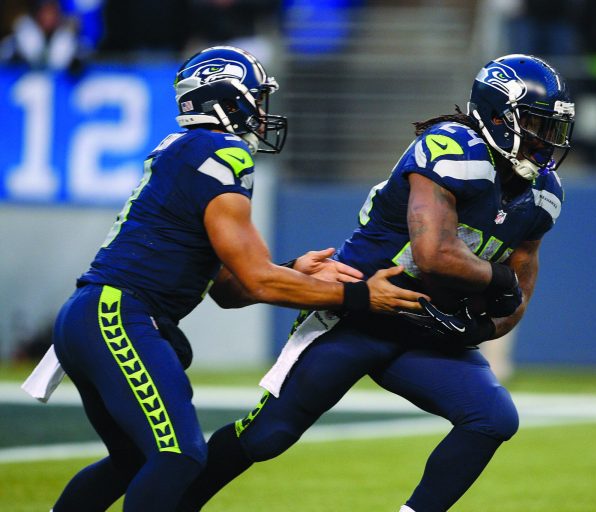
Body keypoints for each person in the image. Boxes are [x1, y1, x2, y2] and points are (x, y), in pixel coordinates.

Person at [178, 54, 575, 511]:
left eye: (554, 130)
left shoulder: (544, 193)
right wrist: (496, 278)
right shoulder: (453, 147)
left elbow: (519, 289)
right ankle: (172, 503)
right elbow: (435, 255)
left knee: (492, 418)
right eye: (538, 126)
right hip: (356, 310)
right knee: (268, 436)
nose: (547, 143)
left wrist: (486, 329)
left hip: (423, 326)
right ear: (499, 117)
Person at [49, 45, 426, 512]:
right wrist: (358, 294)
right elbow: (258, 281)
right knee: (178, 456)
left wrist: (290, 270)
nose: (263, 112)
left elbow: (230, 290)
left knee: (132, 460)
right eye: (257, 98)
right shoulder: (219, 151)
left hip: (94, 315)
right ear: (227, 100)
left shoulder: (187, 150)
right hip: (117, 313)